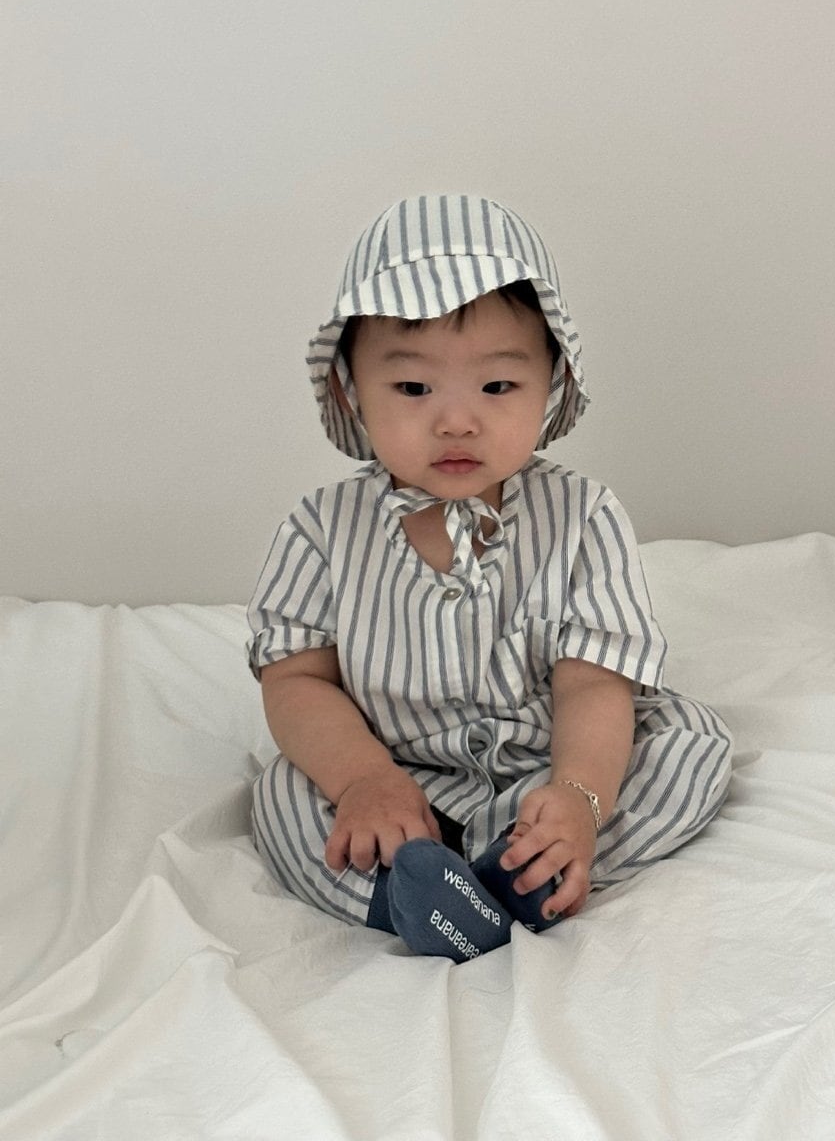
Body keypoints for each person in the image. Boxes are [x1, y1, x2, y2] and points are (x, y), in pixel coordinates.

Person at [247, 194, 732, 962]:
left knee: (691, 747)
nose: (456, 421)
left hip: (545, 769)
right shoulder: (322, 529)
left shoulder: (582, 516)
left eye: (497, 387)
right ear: (350, 390)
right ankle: (410, 894)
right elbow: (296, 682)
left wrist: (577, 796)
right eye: (413, 389)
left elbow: (592, 684)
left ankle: (530, 867)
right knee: (281, 796)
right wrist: (363, 781)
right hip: (393, 778)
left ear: (551, 381)